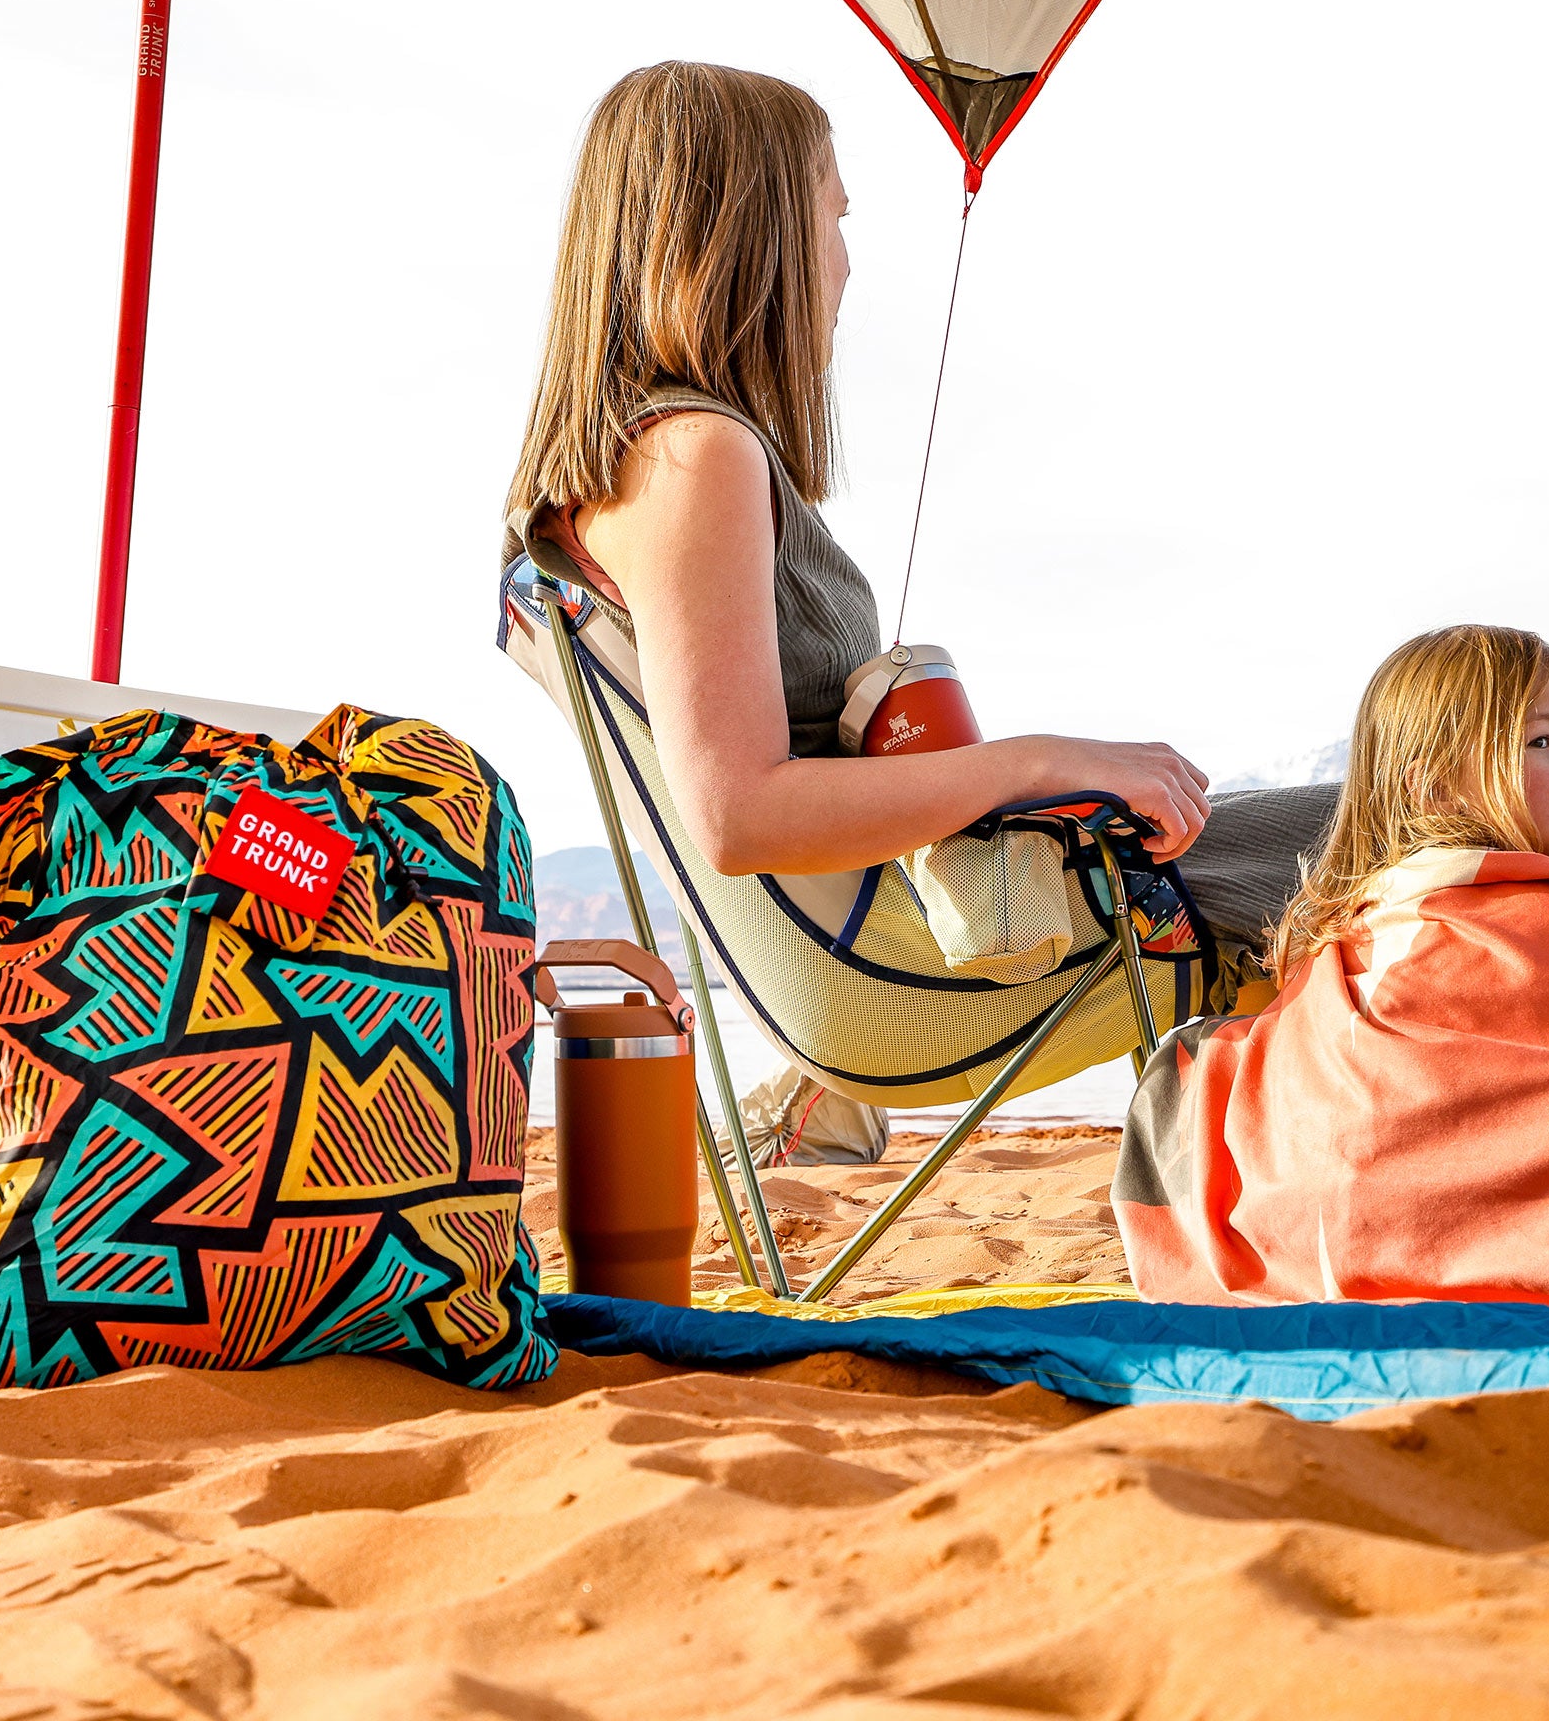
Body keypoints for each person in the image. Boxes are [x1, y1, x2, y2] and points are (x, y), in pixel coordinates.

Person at [502, 62, 1333, 1152]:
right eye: (832, 213)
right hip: (894, 970)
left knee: (1356, 824)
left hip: (866, 949)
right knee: (1404, 824)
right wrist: (1045, 762)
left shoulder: (620, 469)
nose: (845, 259)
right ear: (748, 234)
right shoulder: (692, 454)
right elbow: (740, 811)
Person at [1114, 624, 1549, 1314]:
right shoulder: (1519, 908)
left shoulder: (1368, 911)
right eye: (1541, 742)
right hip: (1412, 1175)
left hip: (1329, 1209)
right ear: (1433, 786)